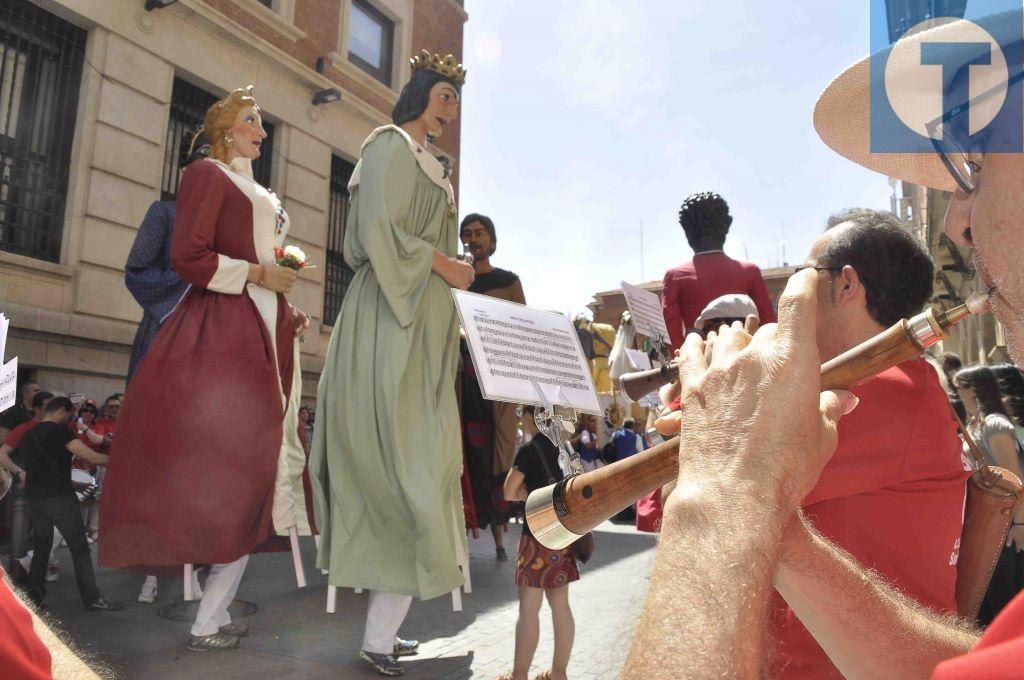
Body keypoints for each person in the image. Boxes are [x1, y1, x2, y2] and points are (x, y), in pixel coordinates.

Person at [624, 16, 1024, 679]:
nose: (958, 221)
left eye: (975, 166)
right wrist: (758, 503)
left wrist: (719, 484)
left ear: (843, 286)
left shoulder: (890, 391)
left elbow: (685, 502)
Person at [99, 86, 311, 652]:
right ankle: (200, 608)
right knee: (236, 471)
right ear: (223, 130)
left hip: (263, 334)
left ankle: (211, 614)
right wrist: (259, 278)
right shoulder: (205, 176)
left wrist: (284, 305)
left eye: (261, 125)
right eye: (250, 123)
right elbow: (185, 258)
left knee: (256, 475)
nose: (261, 134)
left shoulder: (252, 187)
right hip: (222, 338)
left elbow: (255, 260)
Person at [308, 51, 471, 677]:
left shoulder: (435, 165)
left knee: (424, 470)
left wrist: (447, 274)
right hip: (389, 318)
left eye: (457, 101)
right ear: (425, 93)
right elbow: (374, 230)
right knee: (397, 468)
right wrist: (443, 264)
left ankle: (383, 633)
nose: (453, 111)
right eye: (448, 97)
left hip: (426, 326)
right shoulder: (387, 146)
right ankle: (377, 639)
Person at [764, 209, 968, 678]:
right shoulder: (890, 382)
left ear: (846, 285)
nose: (790, 292)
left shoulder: (882, 386)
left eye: (802, 275)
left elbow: (726, 484)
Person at [458, 212, 524, 561]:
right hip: (464, 377)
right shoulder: (456, 280)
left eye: (480, 233)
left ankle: (500, 540)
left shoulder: (509, 281)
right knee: (468, 453)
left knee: (498, 457)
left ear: (492, 242)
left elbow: (521, 326)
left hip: (498, 381)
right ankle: (463, 530)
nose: (473, 239)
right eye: (467, 234)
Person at [501, 404, 577, 680]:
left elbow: (509, 491)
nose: (520, 416)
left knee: (529, 609)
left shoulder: (529, 450)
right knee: (561, 606)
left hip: (536, 535)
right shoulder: (564, 449)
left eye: (522, 410)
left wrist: (526, 495)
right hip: (563, 535)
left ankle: (519, 675)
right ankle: (558, 673)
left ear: (534, 416)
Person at [18, 397, 115, 611]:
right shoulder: (60, 431)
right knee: (79, 549)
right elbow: (93, 457)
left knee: (41, 548)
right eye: (69, 414)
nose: (69, 418)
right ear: (62, 410)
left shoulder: (28, 434)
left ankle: (35, 599)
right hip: (60, 497)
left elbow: (38, 469)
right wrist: (123, 458)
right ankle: (92, 599)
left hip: (35, 498)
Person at [660, 191, 776, 351]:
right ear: (726, 225)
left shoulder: (674, 277)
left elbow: (671, 330)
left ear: (686, 231)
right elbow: (769, 323)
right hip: (746, 355)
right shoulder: (750, 272)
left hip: (698, 360)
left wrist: (682, 360)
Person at [954, 366, 1024, 624]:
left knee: (1004, 602)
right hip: (990, 520)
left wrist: (1020, 523)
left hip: (1005, 523)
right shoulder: (977, 422)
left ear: (973, 390)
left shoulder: (994, 424)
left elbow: (1014, 479)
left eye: (958, 387)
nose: (955, 393)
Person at [124, 196, 190, 383]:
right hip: (167, 326)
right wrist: (196, 279)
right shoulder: (166, 212)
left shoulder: (233, 221)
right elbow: (138, 271)